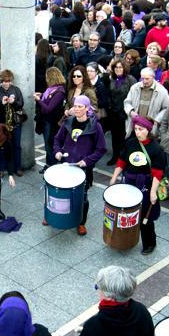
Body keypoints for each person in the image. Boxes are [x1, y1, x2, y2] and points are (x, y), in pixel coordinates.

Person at [50, 95, 107, 236]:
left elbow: (101, 149)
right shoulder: (68, 121)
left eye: (80, 106)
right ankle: (51, 215)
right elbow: (57, 139)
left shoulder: (95, 126)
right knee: (59, 192)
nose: (76, 109)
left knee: (83, 197)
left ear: (87, 108)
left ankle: (81, 222)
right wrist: (57, 151)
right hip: (65, 164)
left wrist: (87, 161)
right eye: (75, 106)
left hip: (83, 168)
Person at [109, 115, 165, 254]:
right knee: (127, 213)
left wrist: (153, 192)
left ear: (148, 130)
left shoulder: (156, 149)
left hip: (145, 184)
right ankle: (126, 239)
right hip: (129, 182)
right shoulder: (131, 143)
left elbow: (158, 173)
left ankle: (150, 243)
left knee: (146, 216)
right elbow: (122, 160)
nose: (137, 132)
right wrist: (114, 177)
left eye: (141, 129)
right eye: (136, 129)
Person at [0, 70, 25, 176]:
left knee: (17, 146)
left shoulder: (16, 90)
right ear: (1, 81)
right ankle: (1, 168)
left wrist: (13, 102)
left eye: (8, 81)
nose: (6, 83)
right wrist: (1, 104)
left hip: (14, 123)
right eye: (4, 81)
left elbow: (21, 104)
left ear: (11, 81)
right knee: (0, 146)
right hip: (1, 124)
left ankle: (18, 167)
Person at [33, 67, 67, 171]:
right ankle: (48, 164)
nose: (46, 79)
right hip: (46, 121)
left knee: (50, 144)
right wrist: (42, 95)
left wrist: (39, 100)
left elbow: (48, 108)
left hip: (51, 123)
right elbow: (48, 99)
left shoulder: (59, 92)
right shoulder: (51, 89)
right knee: (47, 144)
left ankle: (52, 167)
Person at [123, 68, 169, 137]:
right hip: (134, 126)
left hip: (151, 128)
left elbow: (167, 108)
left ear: (153, 77)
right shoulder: (134, 88)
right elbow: (127, 102)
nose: (144, 81)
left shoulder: (162, 91)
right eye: (142, 78)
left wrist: (157, 120)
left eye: (147, 79)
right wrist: (131, 112)